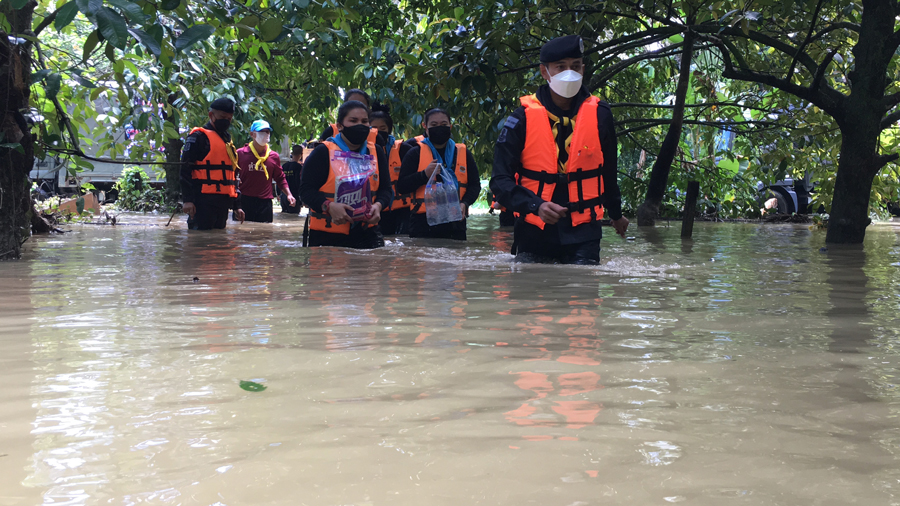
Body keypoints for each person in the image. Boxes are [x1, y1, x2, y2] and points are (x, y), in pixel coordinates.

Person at [490, 35, 629, 265]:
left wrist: (615, 214)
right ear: (545, 72)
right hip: (534, 232)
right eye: (561, 67)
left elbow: (608, 173)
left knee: (582, 294)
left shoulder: (601, 115)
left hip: (584, 234)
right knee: (533, 296)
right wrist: (536, 205)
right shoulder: (521, 119)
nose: (570, 73)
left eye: (575, 66)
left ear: (583, 69)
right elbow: (500, 180)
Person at [299, 101, 393, 249]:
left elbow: (386, 189)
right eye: (353, 121)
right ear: (340, 126)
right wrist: (329, 206)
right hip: (327, 235)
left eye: (364, 121)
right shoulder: (322, 152)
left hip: (368, 234)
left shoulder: (376, 152)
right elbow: (305, 191)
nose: (360, 125)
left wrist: (379, 205)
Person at [396, 108, 481, 240]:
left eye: (444, 125)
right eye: (434, 125)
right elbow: (401, 187)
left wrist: (465, 203)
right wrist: (424, 175)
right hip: (422, 224)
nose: (439, 129)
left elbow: (474, 185)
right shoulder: (415, 153)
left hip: (455, 224)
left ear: (450, 127)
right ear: (425, 127)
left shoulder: (463, 153)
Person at [180, 97, 245, 229]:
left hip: (223, 203)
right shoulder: (198, 137)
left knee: (219, 244)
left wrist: (237, 206)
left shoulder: (227, 140)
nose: (226, 121)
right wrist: (187, 200)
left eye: (229, 118)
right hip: (202, 201)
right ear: (211, 115)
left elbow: (231, 175)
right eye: (222, 117)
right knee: (201, 243)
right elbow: (185, 169)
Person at [234, 120, 296, 223]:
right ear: (252, 134)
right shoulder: (240, 154)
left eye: (268, 131)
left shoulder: (273, 156)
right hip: (244, 201)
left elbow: (280, 178)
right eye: (262, 131)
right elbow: (232, 175)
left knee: (264, 235)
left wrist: (289, 194)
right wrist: (234, 203)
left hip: (265, 203)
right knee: (241, 236)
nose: (266, 134)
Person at [370, 107, 413, 235]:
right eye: (373, 128)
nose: (378, 132)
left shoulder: (404, 149)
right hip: (375, 208)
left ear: (389, 129)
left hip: (402, 210)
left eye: (382, 129)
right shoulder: (361, 151)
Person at [280, 144, 304, 214]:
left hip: (284, 196)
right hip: (293, 197)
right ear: (301, 154)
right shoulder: (299, 167)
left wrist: (278, 194)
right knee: (294, 217)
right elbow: (298, 182)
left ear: (292, 153)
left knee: (284, 217)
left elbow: (280, 180)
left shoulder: (284, 166)